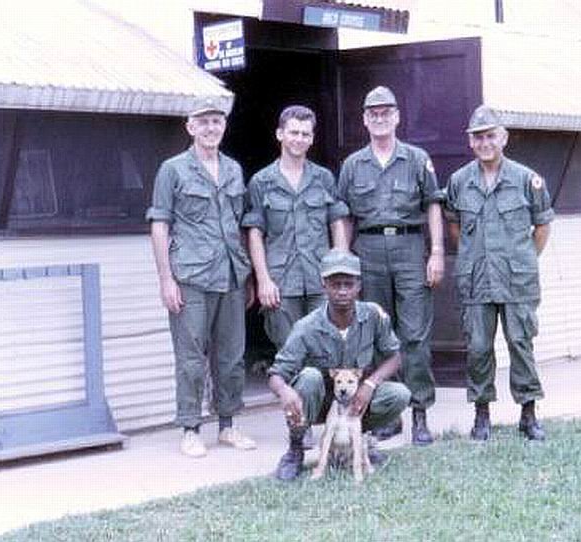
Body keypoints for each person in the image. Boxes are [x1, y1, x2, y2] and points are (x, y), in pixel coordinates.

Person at [146, 97, 256, 457]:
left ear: (224, 126)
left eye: (217, 121)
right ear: (190, 127)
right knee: (191, 356)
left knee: (232, 356)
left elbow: (239, 225)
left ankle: (228, 424)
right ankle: (190, 427)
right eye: (203, 122)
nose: (211, 128)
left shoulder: (234, 169)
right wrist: (166, 279)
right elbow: (160, 225)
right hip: (190, 276)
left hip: (230, 275)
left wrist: (248, 275)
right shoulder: (173, 170)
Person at [337, 86, 445, 446]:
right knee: (377, 333)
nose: (380, 119)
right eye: (373, 113)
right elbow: (344, 215)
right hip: (367, 249)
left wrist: (437, 252)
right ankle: (386, 414)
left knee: (414, 334)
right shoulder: (353, 165)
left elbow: (432, 205)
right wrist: (343, 261)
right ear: (365, 120)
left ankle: (419, 413)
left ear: (397, 116)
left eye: (386, 112)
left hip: (410, 247)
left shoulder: (416, 159)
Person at [445, 104, 555, 441]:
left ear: (503, 138)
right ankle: (481, 414)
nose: (484, 143)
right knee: (478, 347)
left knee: (521, 344)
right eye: (477, 137)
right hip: (477, 279)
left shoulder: (527, 180)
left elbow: (542, 227)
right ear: (470, 142)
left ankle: (528, 414)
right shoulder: (459, 181)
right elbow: (455, 226)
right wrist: (473, 257)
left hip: (516, 279)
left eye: (490, 135)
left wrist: (521, 258)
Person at [268, 249, 411, 481]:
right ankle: (295, 450)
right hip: (320, 400)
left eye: (348, 284)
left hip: (356, 400)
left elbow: (394, 357)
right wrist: (284, 391)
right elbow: (276, 374)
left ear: (359, 286)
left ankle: (359, 443)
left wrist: (370, 384)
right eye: (336, 284)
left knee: (399, 394)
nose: (342, 291)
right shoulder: (307, 326)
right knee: (310, 378)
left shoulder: (373, 315)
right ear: (324, 285)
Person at [243, 105, 349, 350]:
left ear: (312, 138)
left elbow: (337, 223)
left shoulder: (323, 178)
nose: (299, 139)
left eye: (305, 134)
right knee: (289, 353)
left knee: (328, 348)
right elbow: (255, 233)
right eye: (293, 132)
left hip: (320, 280)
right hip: (281, 283)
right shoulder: (261, 182)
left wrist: (339, 271)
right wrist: (263, 280)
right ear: (280, 134)